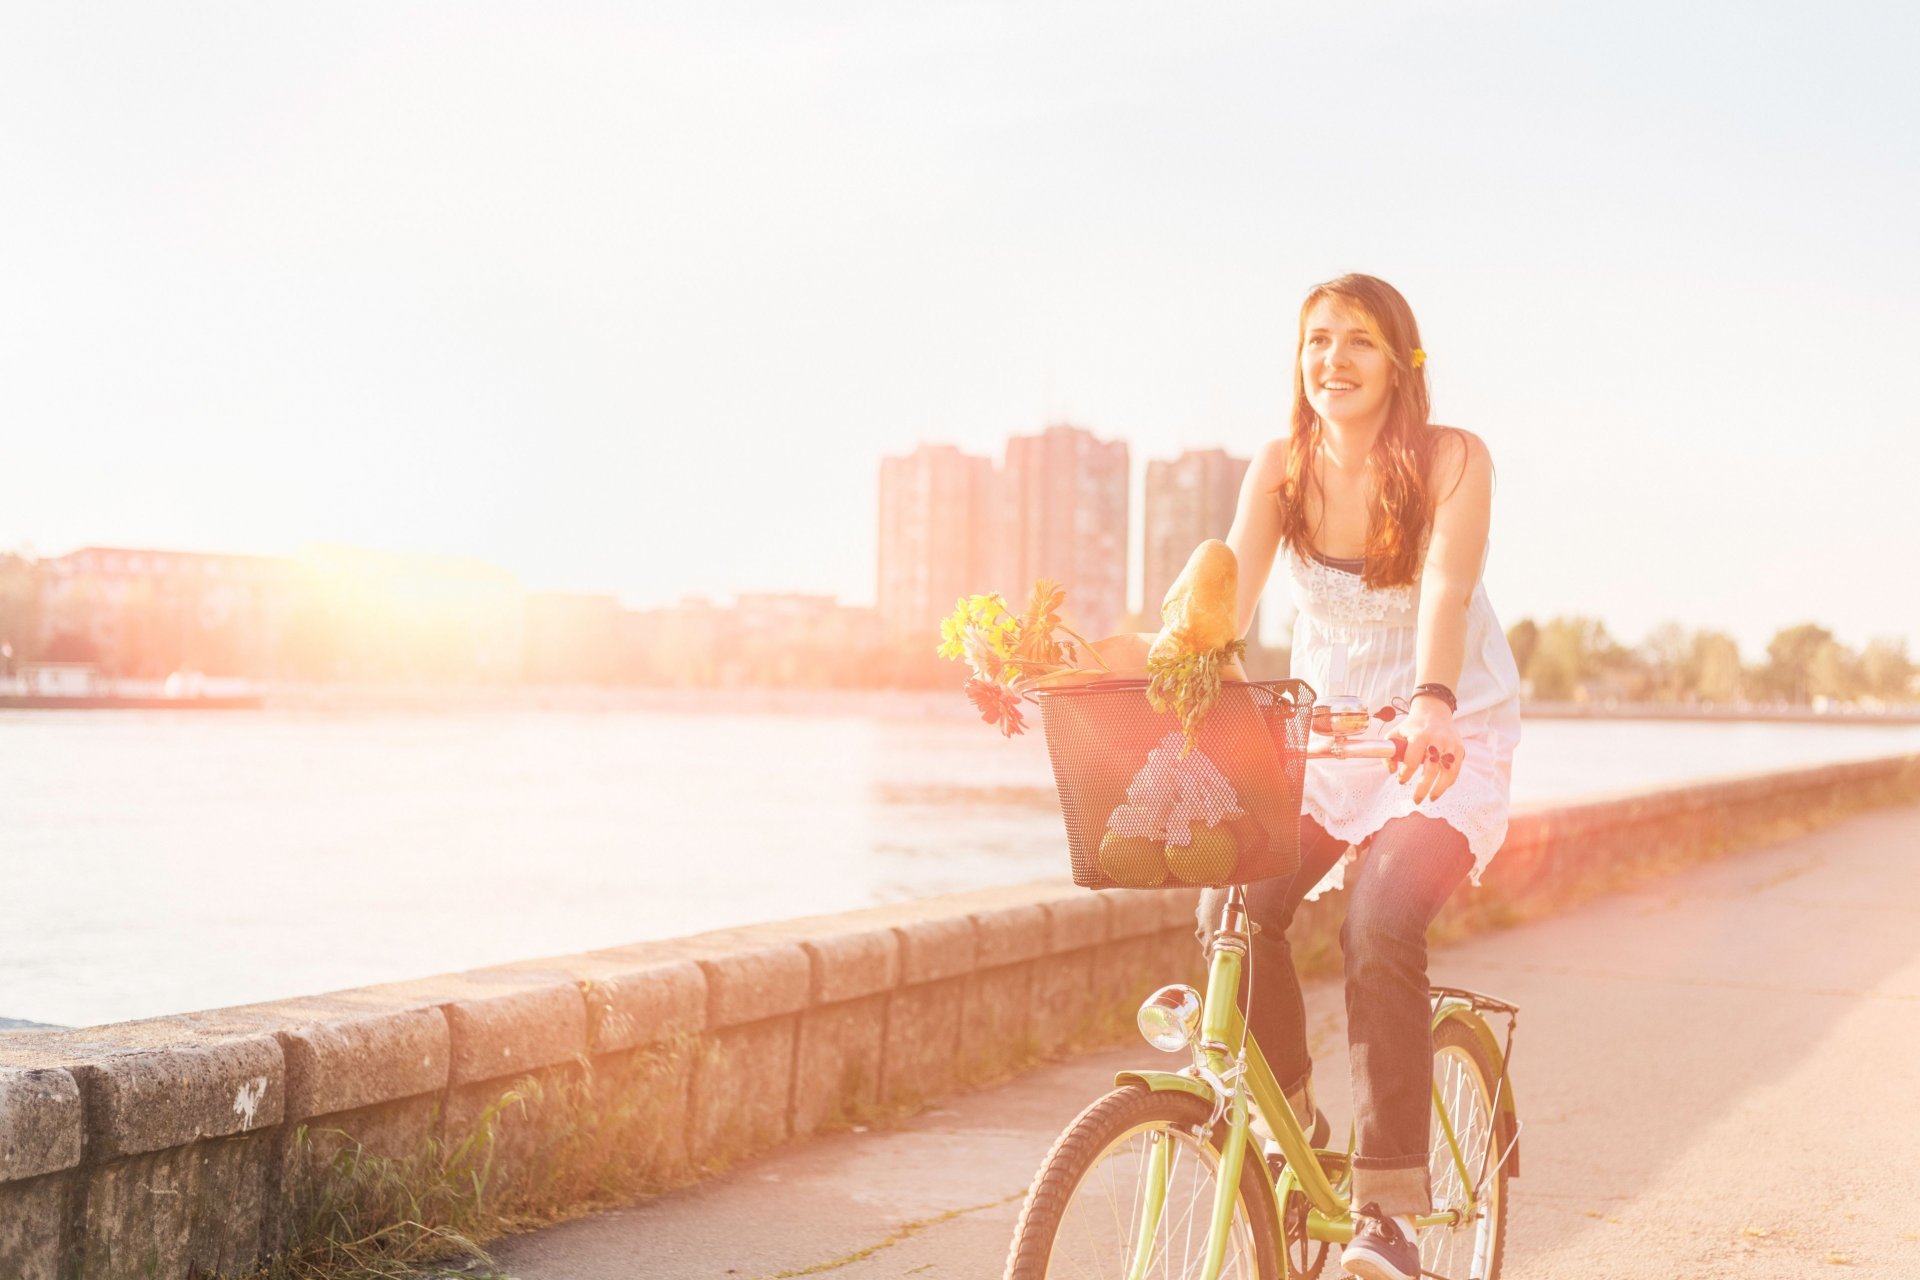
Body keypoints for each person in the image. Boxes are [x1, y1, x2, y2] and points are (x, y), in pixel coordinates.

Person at [1197, 273, 1522, 1280]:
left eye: (1358, 342)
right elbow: (1225, 604)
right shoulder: (1278, 468)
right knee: (1229, 909)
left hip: (1439, 737)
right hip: (1322, 741)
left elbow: (1447, 588)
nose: (1332, 360)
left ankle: (1387, 1211)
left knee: (1379, 918)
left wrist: (1430, 696)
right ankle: (1295, 1130)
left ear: (1400, 362)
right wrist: (1133, 671)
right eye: (1317, 341)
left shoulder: (1451, 458)